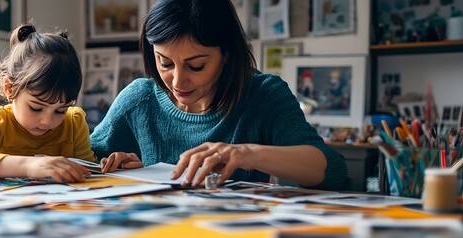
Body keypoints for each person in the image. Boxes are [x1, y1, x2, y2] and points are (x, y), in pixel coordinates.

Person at [90, 0, 347, 190]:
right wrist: (115, 167)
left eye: (197, 66)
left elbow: (330, 170)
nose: (178, 81)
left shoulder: (264, 95)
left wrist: (249, 153)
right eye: (165, 63)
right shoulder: (139, 100)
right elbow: (78, 160)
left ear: (226, 54)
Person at [0, 24, 94, 183]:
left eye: (60, 111)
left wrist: (112, 164)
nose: (47, 121)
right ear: (10, 88)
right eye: (36, 108)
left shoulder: (74, 122)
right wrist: (29, 165)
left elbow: (90, 168)